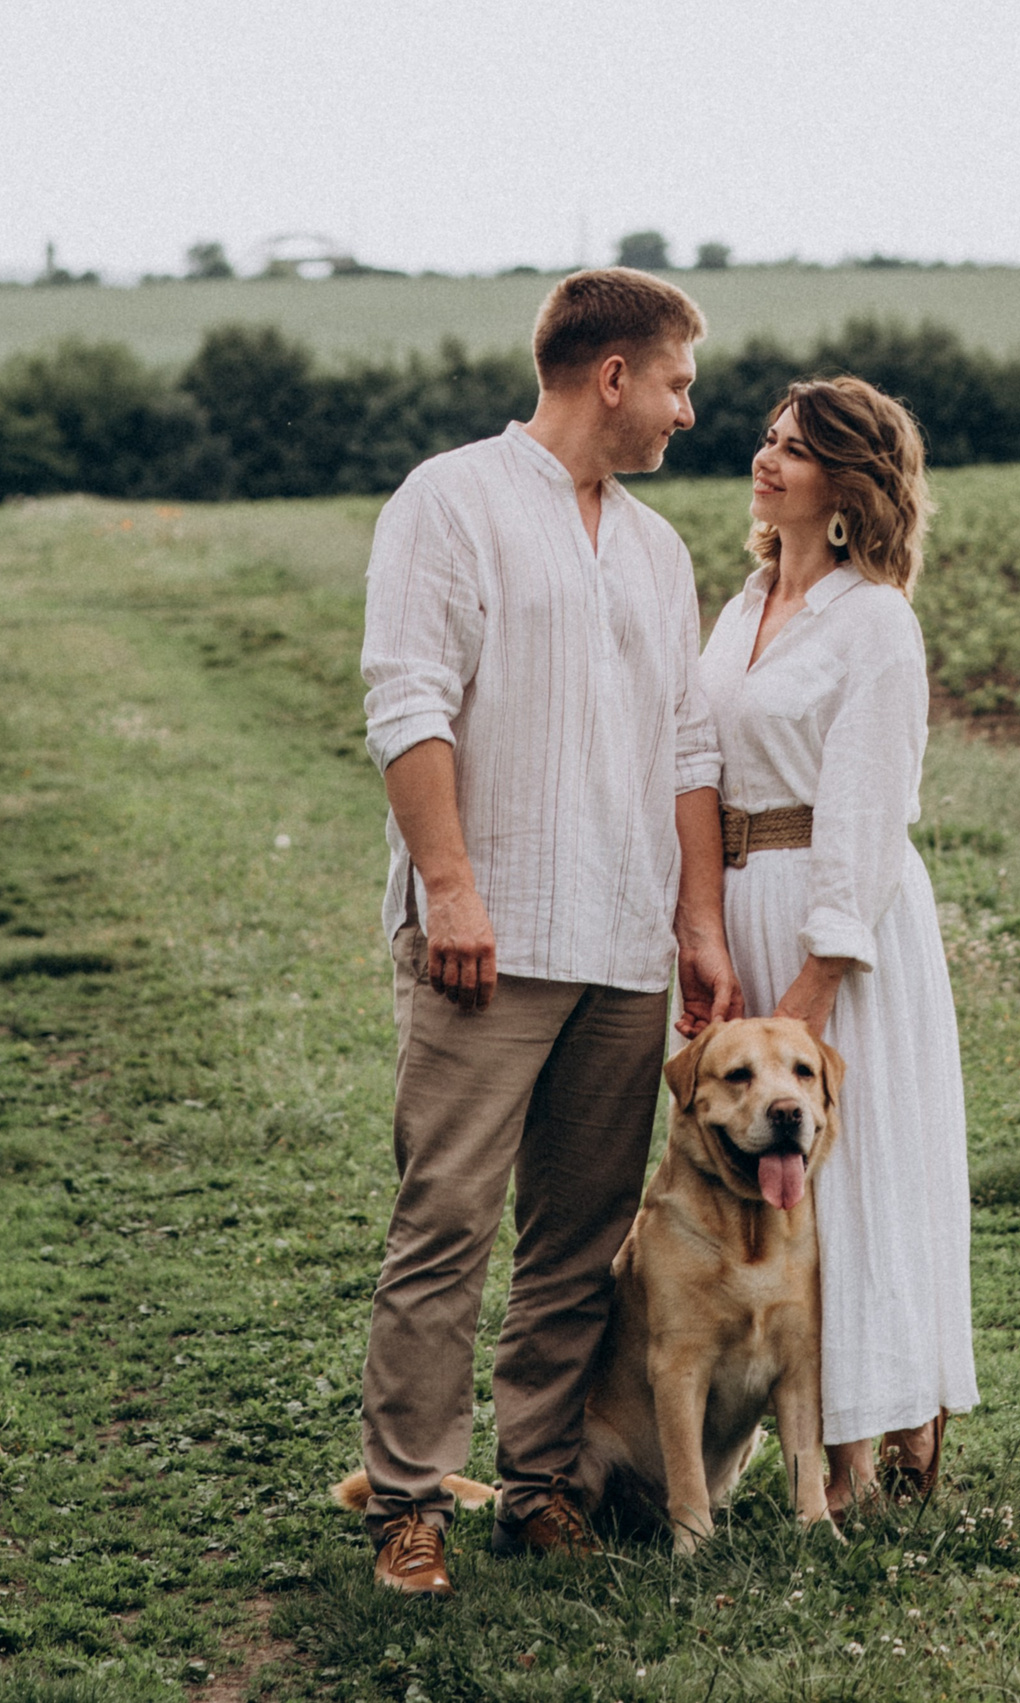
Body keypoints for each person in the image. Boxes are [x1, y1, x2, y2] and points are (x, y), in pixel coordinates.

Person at [354, 268, 741, 1597]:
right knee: (447, 1217)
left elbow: (688, 745)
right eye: (681, 382)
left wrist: (697, 916)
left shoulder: (656, 548)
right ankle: (408, 1498)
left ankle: (542, 1484)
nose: (693, 413)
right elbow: (407, 701)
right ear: (614, 374)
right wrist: (449, 885)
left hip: (626, 940)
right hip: (490, 934)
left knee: (578, 1237)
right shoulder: (449, 501)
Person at [699, 377, 979, 1510]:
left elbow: (868, 807)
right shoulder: (742, 604)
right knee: (765, 1178)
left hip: (838, 911)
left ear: (850, 487)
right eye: (767, 439)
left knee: (850, 1173)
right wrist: (701, 927)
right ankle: (802, 1431)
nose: (767, 460)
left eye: (797, 449)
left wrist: (815, 977)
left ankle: (875, 1442)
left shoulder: (874, 620)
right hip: (739, 893)